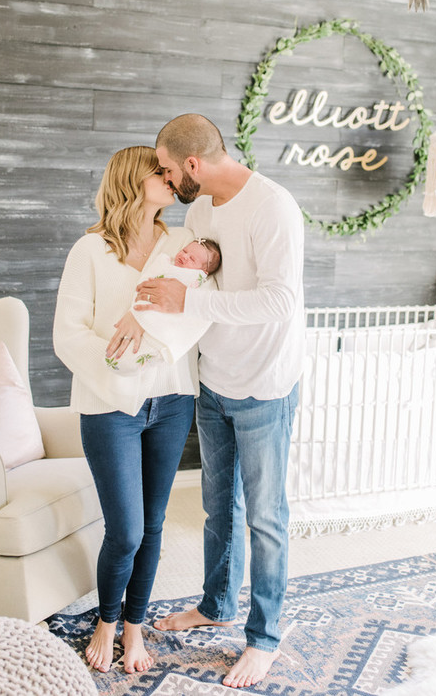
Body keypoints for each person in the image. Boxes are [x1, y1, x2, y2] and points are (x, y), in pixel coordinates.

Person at [132, 114, 305, 689]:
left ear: (193, 164)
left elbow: (278, 300)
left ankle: (265, 639)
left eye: (164, 167)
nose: (162, 177)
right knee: (218, 509)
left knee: (265, 517)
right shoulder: (201, 208)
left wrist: (190, 301)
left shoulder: (274, 207)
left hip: (264, 384)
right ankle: (216, 604)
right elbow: (211, 274)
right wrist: (203, 257)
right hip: (216, 380)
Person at [53, 146, 209, 676]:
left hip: (170, 399)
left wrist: (150, 334)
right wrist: (117, 374)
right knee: (126, 530)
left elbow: (196, 315)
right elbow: (66, 334)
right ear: (131, 179)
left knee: (156, 524)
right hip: (107, 404)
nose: (171, 179)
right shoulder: (89, 250)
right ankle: (106, 620)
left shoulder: (183, 242)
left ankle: (134, 627)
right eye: (160, 171)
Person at [105, 238, 221, 375]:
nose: (184, 256)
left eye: (192, 259)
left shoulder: (196, 280)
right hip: (144, 312)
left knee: (138, 355)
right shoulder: (165, 264)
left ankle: (131, 364)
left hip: (161, 330)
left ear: (203, 272)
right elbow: (149, 279)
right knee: (122, 352)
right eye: (184, 251)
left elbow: (194, 308)